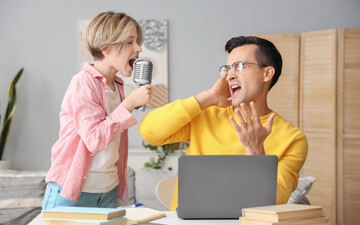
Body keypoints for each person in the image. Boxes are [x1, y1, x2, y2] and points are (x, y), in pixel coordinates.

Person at [139, 36, 308, 211]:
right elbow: (149, 132)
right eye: (227, 69)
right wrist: (207, 97)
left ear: (267, 73)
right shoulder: (207, 114)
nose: (230, 75)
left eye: (240, 66)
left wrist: (256, 151)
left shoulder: (293, 139)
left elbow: (273, 202)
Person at [42, 11, 153, 210]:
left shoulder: (118, 86)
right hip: (72, 191)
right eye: (130, 42)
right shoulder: (82, 83)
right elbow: (94, 139)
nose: (138, 48)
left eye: (137, 41)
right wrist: (128, 104)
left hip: (107, 190)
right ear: (105, 47)